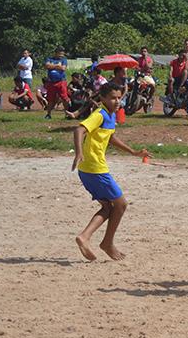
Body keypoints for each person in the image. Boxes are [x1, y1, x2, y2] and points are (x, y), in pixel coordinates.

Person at [71, 82, 150, 262]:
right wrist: (79, 153)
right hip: (94, 168)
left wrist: (133, 152)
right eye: (113, 98)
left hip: (89, 169)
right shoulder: (99, 114)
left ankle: (85, 237)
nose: (116, 101)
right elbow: (79, 129)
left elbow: (111, 137)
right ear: (103, 98)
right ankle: (107, 243)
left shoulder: (110, 116)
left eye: (119, 98)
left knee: (108, 207)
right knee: (121, 204)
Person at [43, 48, 70, 119]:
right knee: (51, 99)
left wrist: (52, 66)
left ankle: (67, 114)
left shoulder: (64, 60)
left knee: (64, 98)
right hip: (51, 82)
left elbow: (63, 68)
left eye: (62, 54)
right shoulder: (49, 59)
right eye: (60, 54)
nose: (61, 56)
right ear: (56, 53)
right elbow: (47, 66)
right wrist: (57, 66)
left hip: (61, 81)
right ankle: (48, 114)